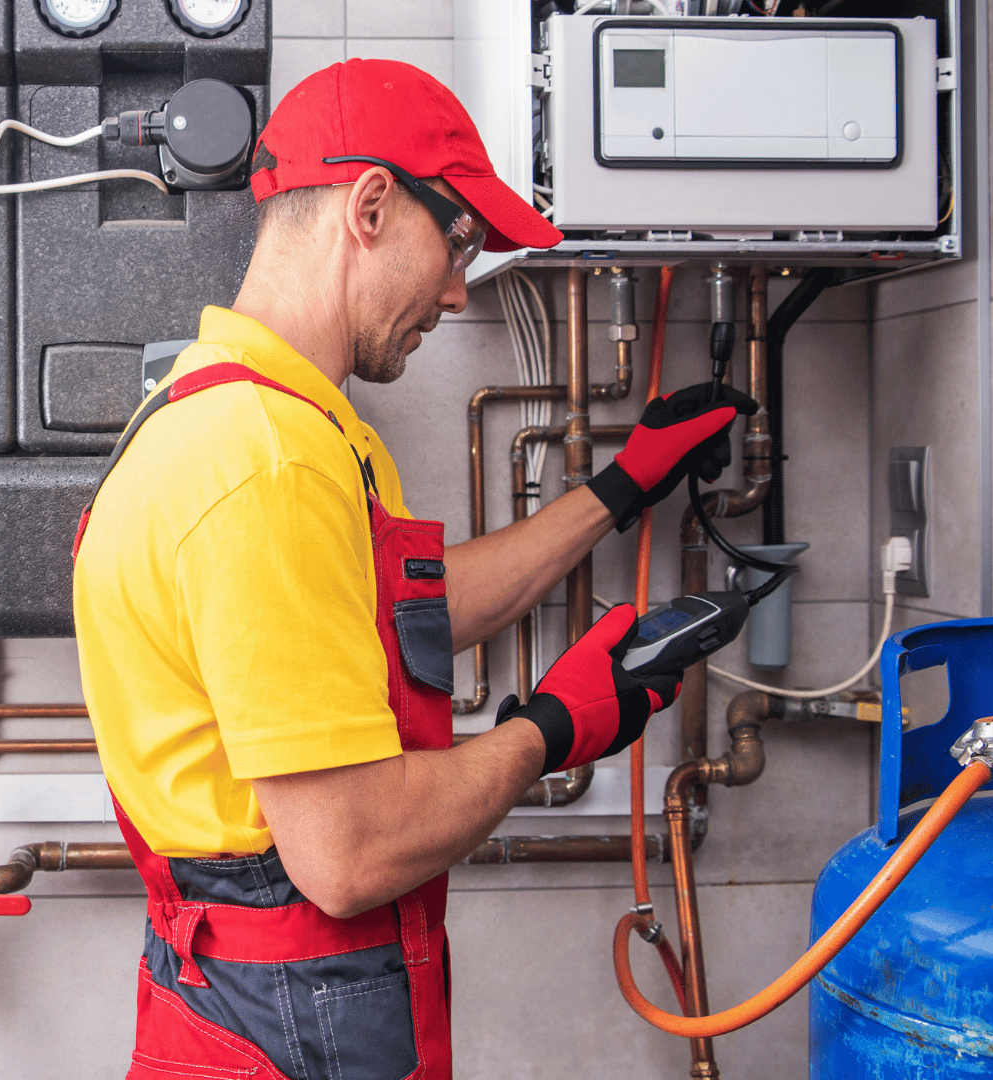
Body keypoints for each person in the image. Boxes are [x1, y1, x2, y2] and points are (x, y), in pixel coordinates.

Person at [71, 58, 757, 1080]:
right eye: (459, 245)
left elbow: (400, 619)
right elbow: (346, 855)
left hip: (243, 996)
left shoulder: (239, 414)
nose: (453, 289)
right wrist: (553, 730)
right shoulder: (264, 463)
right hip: (289, 1010)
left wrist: (623, 487)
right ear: (373, 206)